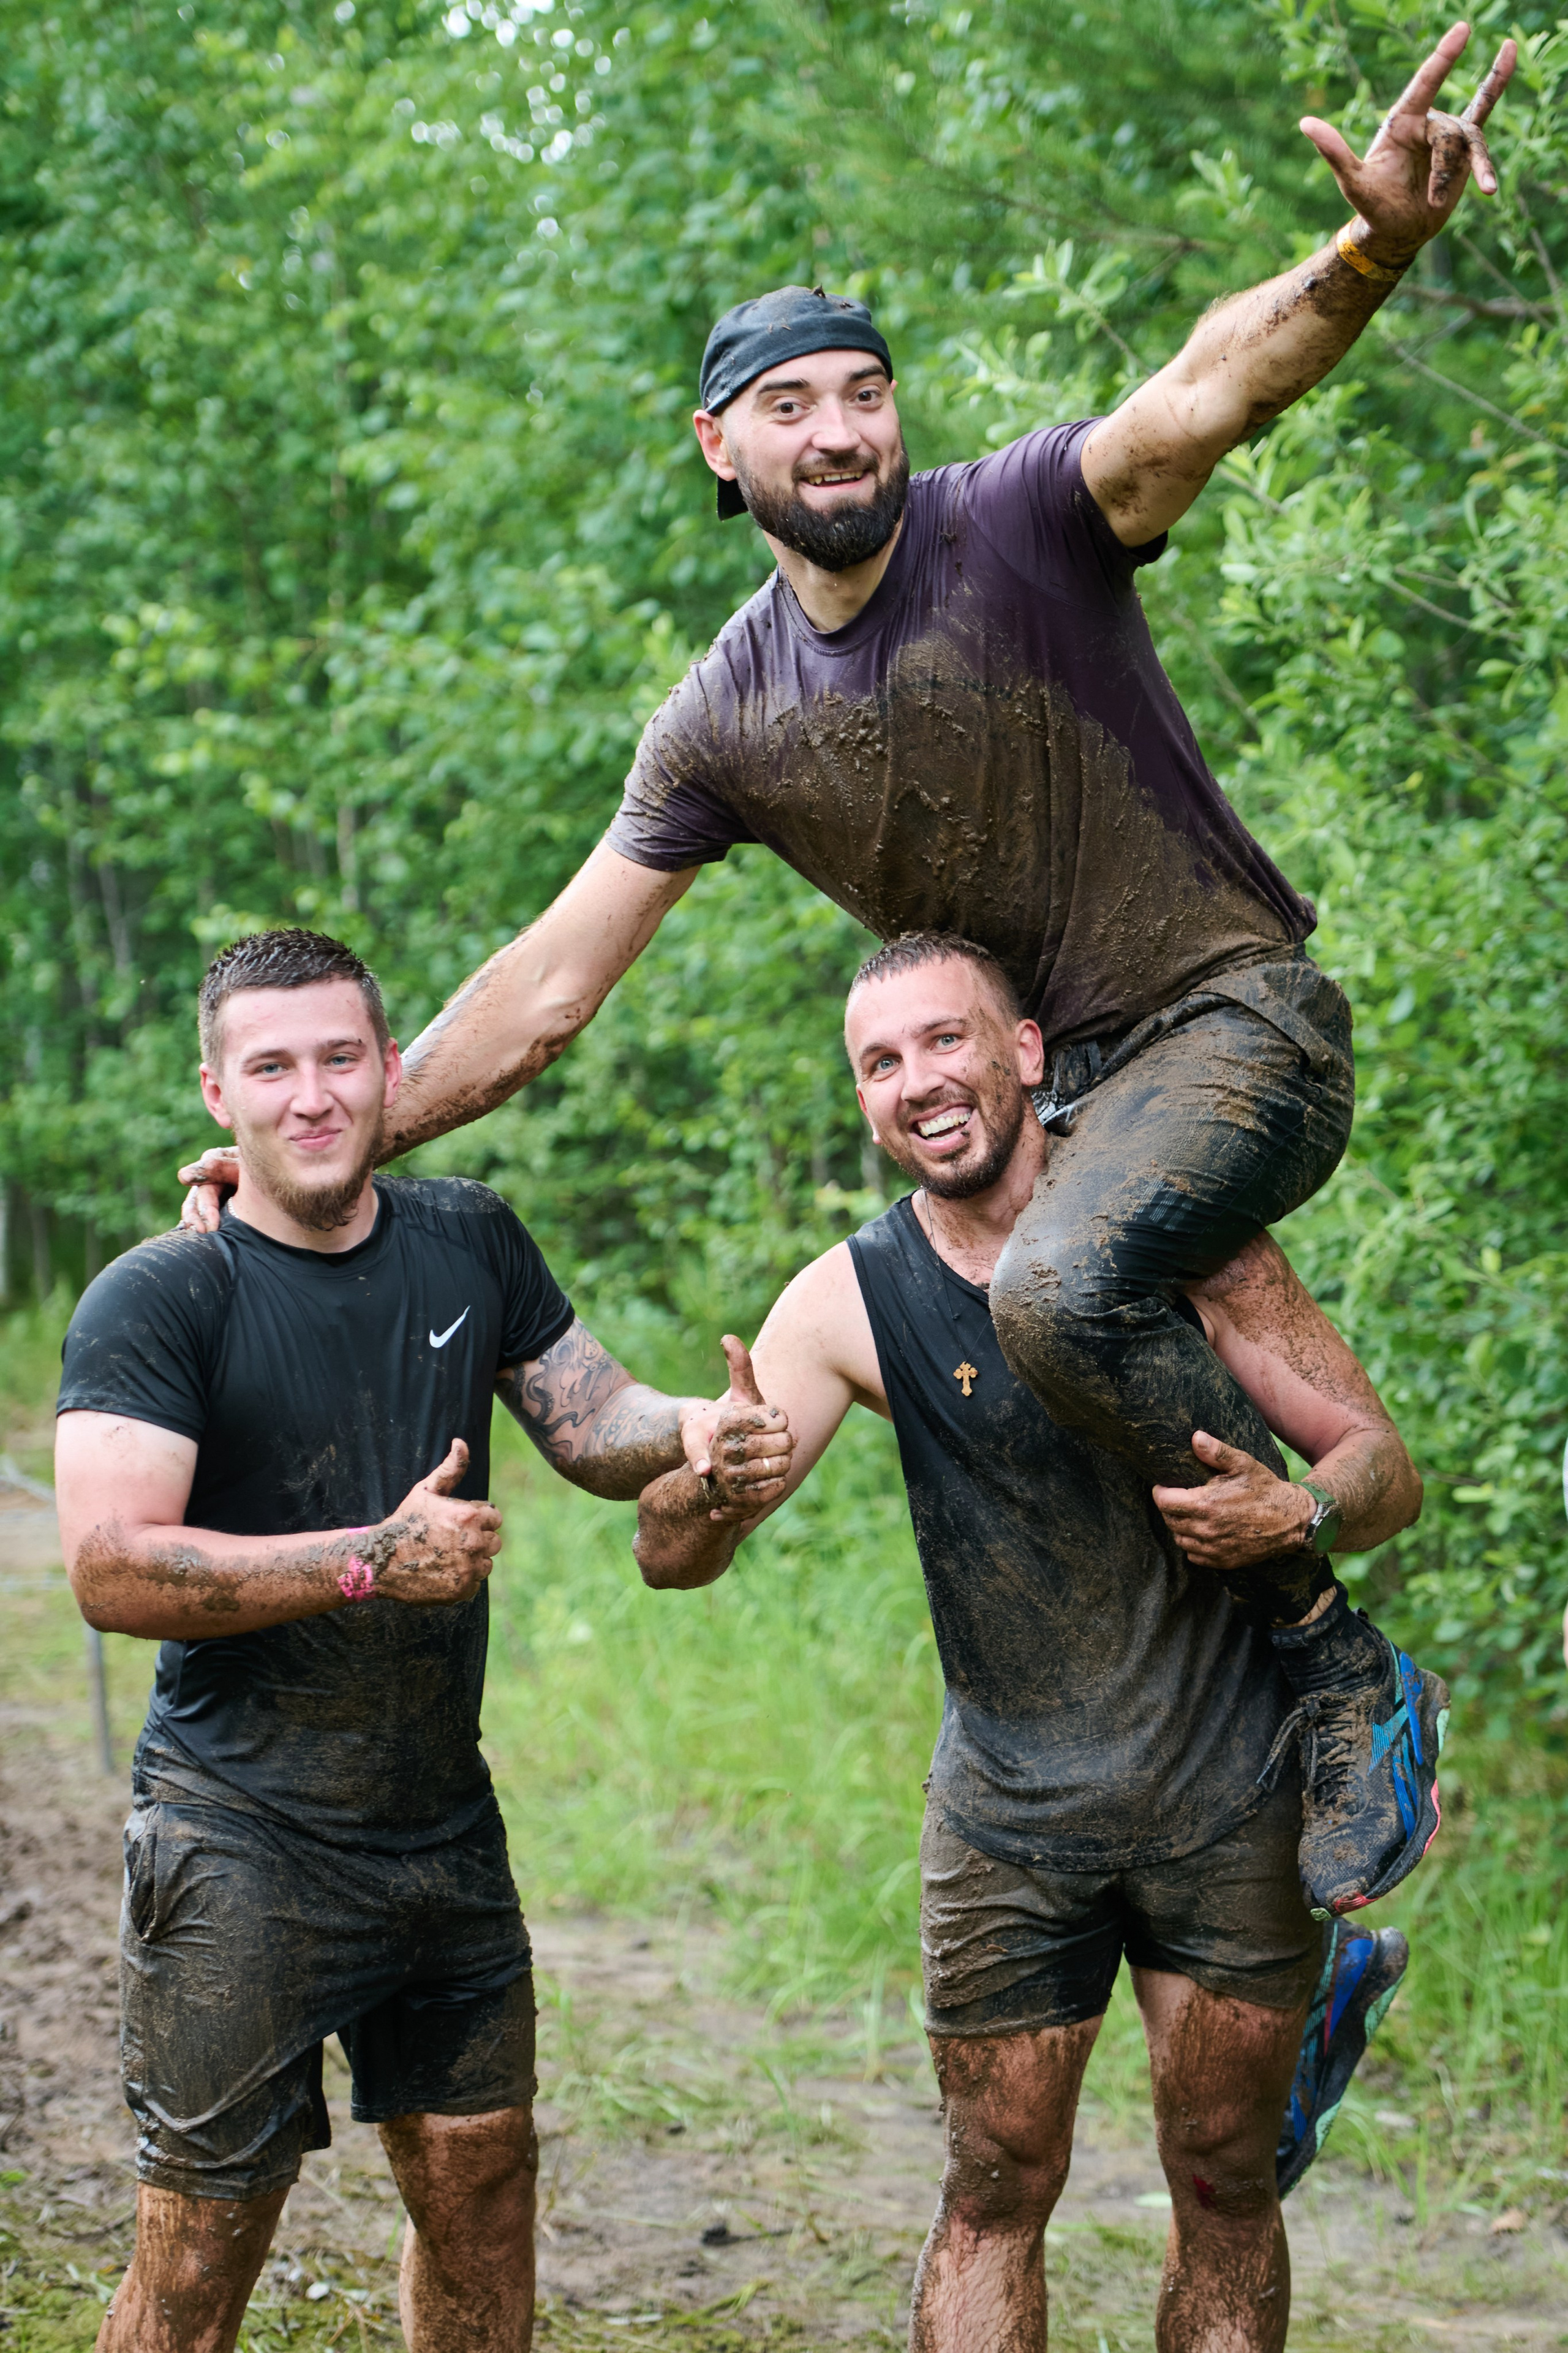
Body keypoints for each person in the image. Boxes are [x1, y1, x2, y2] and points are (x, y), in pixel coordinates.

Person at [181, 25, 1510, 1897]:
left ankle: (1333, 1660)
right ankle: (1231, 1833)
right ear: (721, 449)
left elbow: (1206, 389)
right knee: (1093, 1329)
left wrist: (1364, 256)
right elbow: (547, 991)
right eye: (792, 404)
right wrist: (335, 1142)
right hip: (1067, 1116)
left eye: (866, 392)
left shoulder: (1025, 524)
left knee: (1052, 1290)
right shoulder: (722, 716)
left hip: (1232, 1026)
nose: (841, 428)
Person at [633, 932, 1433, 2353]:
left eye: (944, 1041)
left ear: (1020, 1052)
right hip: (1009, 1812)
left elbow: (1379, 1465)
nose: (915, 1084)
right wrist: (710, 1483)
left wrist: (1295, 1507)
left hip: (1229, 1794)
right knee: (994, 2181)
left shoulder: (1183, 1237)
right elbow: (674, 1558)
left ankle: (1321, 1987)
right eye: (879, 1063)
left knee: (1222, 2180)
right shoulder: (843, 1300)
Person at [56, 929, 793, 2353]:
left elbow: (588, 1419)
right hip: (239, 1837)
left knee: (481, 2188)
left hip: (440, 1830)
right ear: (217, 1093)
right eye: (271, 1066)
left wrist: (687, 1432)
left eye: (341, 1058)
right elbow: (110, 1566)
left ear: (394, 1072)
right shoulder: (160, 1295)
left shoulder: (468, 1234)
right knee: (203, 2250)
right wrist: (366, 1563)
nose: (311, 1094)